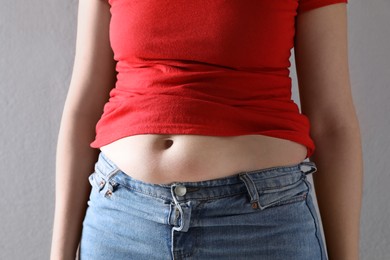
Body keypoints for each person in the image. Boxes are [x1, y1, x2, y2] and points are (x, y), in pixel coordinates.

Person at [50, 0, 363, 259]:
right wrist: (59, 254)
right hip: (122, 222)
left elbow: (331, 121)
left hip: (262, 228)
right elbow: (84, 107)